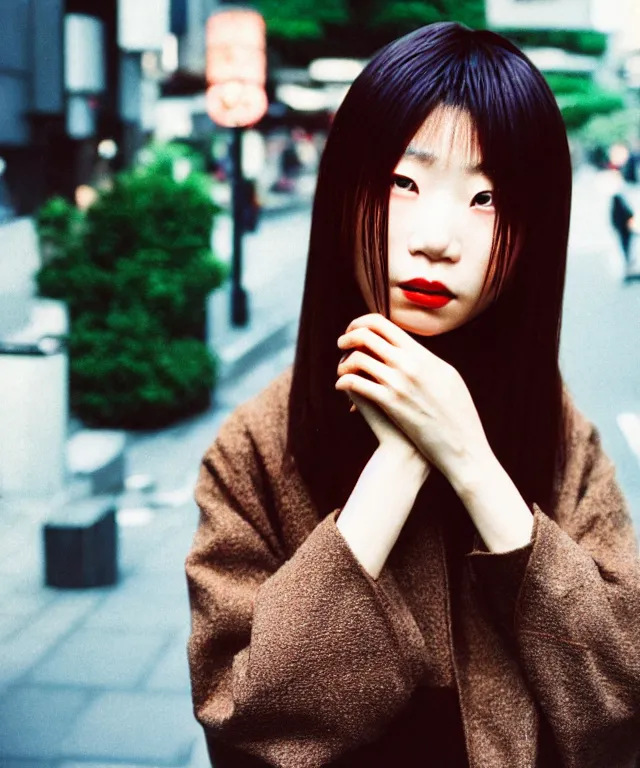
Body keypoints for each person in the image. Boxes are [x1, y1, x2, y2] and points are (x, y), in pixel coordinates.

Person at [185, 22, 640, 767]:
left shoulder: (562, 435)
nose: (438, 238)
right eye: (405, 181)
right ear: (346, 192)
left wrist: (468, 458)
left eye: (486, 198)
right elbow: (248, 730)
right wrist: (399, 461)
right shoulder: (256, 446)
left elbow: (618, 707)